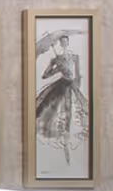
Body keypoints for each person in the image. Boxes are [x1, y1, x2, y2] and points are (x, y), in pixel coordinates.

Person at [34, 32, 90, 160]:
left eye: (65, 41)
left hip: (71, 86)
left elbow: (78, 75)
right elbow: (45, 75)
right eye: (62, 42)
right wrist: (57, 68)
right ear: (60, 44)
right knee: (57, 110)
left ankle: (69, 140)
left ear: (68, 43)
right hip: (60, 86)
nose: (64, 43)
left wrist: (76, 86)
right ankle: (62, 140)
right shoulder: (55, 59)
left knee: (73, 111)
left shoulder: (74, 57)